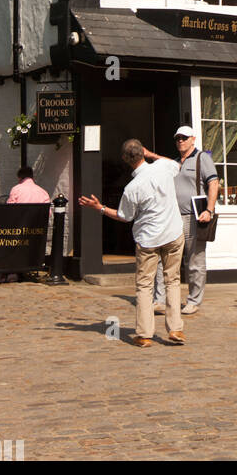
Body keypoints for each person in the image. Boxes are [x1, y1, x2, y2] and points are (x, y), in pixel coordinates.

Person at [79, 138, 185, 348]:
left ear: (125, 160)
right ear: (143, 153)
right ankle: (175, 329)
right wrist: (152, 154)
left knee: (145, 285)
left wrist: (99, 208)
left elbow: (124, 216)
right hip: (173, 233)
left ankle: (145, 334)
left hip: (149, 239)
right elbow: (177, 165)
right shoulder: (163, 166)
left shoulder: (132, 187)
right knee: (172, 280)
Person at [146, 127, 218, 316]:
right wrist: (149, 155)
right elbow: (166, 163)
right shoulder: (176, 162)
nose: (180, 141)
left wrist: (209, 210)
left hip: (194, 217)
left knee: (195, 260)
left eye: (184, 138)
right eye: (177, 138)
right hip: (173, 217)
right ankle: (160, 300)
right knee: (165, 259)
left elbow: (213, 183)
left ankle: (194, 300)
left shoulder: (202, 158)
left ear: (193, 139)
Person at [0, 166, 51, 282]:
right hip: (37, 230)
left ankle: (11, 272)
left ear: (19, 177)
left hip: (19, 228)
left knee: (5, 239)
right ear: (32, 176)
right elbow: (47, 213)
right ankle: (30, 267)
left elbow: (11, 210)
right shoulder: (43, 192)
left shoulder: (17, 189)